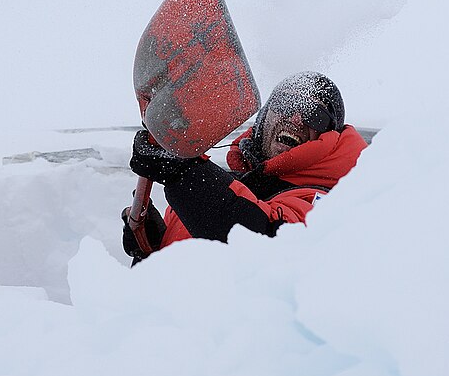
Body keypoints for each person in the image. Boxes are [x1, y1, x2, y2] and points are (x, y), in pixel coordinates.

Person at [123, 71, 368, 262]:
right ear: (264, 118)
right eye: (287, 104)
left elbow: (266, 240)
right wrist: (154, 249)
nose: (295, 119)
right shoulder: (217, 189)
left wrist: (184, 172)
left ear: (329, 135)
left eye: (315, 115)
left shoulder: (327, 205)